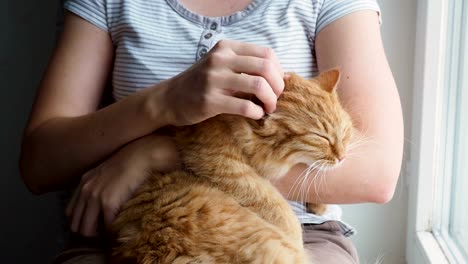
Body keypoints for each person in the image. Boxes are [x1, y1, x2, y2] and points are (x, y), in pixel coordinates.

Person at [19, 0, 403, 263]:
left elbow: (377, 174)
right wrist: (163, 102)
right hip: (133, 231)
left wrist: (159, 153)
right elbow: (39, 165)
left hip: (301, 231)